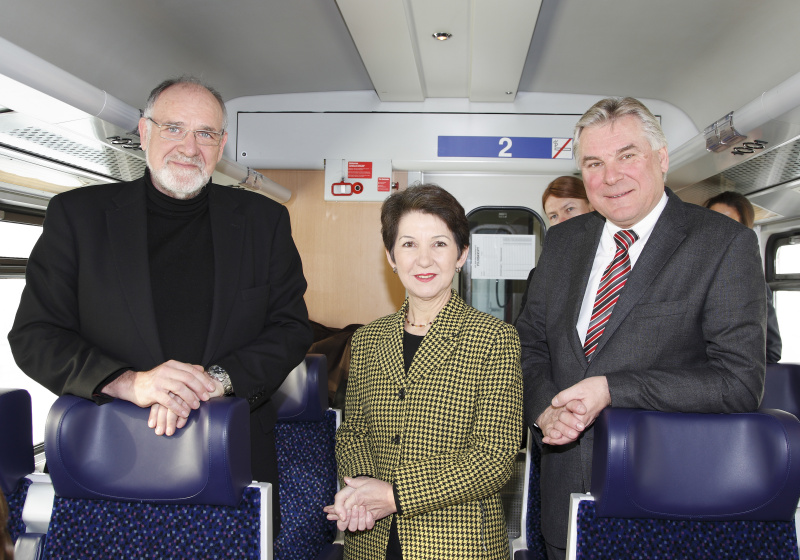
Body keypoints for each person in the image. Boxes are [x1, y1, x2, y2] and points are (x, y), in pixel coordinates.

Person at [8, 77, 312, 532]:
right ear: (144, 131)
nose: (189, 147)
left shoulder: (263, 221)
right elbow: (35, 335)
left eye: (205, 133)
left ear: (221, 144)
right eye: (173, 128)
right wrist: (128, 383)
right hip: (105, 457)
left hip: (231, 461)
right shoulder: (77, 216)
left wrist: (214, 381)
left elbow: (290, 328)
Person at [516, 97, 766, 560]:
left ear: (662, 158)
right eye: (594, 163)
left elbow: (739, 382)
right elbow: (529, 345)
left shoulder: (722, 244)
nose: (610, 177)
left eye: (627, 155)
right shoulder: (563, 242)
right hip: (563, 496)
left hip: (665, 502)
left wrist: (613, 389)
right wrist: (544, 409)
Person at [324, 185, 523, 559]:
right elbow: (353, 432)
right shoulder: (367, 339)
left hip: (458, 541)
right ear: (391, 256)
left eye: (439, 244)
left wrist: (394, 495)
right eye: (409, 244)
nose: (424, 260)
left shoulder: (494, 339)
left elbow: (493, 458)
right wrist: (362, 487)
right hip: (372, 540)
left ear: (462, 254)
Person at [704, 191, 781, 363]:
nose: (717, 234)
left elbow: (770, 350)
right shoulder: (684, 274)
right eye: (711, 223)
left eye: (728, 228)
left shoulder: (752, 286)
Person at [518, 177, 594, 318]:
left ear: (592, 207)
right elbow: (528, 325)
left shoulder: (613, 264)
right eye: (554, 216)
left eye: (569, 209)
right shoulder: (540, 275)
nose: (562, 221)